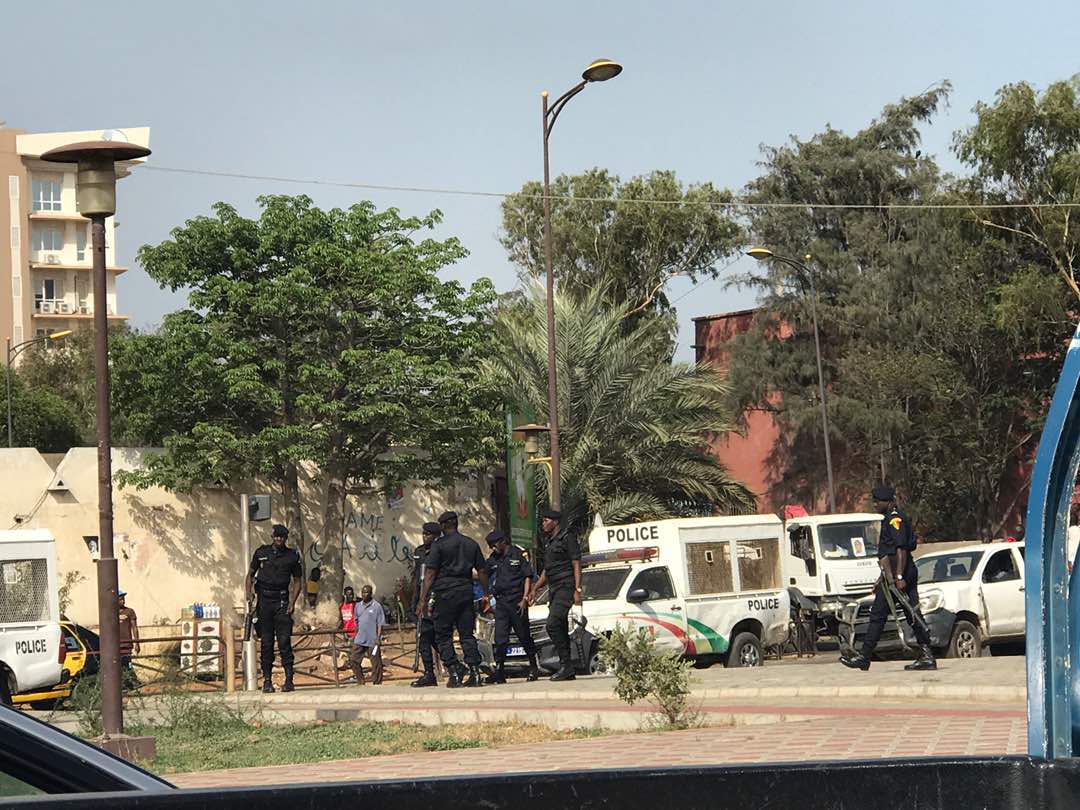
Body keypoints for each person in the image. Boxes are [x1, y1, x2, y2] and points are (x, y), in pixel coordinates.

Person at [841, 486, 937, 672]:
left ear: (887, 501)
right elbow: (888, 552)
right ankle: (926, 656)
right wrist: (882, 578)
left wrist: (898, 576)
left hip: (899, 574)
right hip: (893, 575)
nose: (875, 504)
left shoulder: (894, 519)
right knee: (911, 612)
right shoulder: (890, 518)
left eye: (877, 501)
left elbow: (900, 549)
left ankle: (864, 657)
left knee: (880, 615)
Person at [415, 511, 489, 688]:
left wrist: (422, 600)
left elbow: (430, 573)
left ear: (443, 526)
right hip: (466, 592)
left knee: (443, 635)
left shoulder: (439, 546)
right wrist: (487, 593)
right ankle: (474, 672)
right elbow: (482, 571)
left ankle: (454, 673)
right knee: (467, 635)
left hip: (445, 593)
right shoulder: (470, 543)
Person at [246, 523, 303, 693]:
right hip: (264, 601)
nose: (279, 539)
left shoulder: (292, 556)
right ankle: (268, 681)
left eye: (282, 537)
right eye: (276, 536)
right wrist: (249, 594)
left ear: (286, 538)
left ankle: (289, 680)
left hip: (281, 601)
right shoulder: (261, 553)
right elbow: (250, 575)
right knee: (267, 643)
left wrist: (293, 602)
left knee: (284, 641)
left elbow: (298, 581)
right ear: (272, 537)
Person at [530, 508, 582, 681]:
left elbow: (576, 563)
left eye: (546, 520)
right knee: (558, 627)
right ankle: (567, 667)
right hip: (553, 588)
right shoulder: (550, 542)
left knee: (552, 624)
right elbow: (547, 569)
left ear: (556, 522)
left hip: (566, 586)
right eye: (543, 520)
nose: (543, 523)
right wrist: (535, 588)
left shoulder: (567, 538)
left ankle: (566, 664)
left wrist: (577, 589)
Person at [484, 530, 540, 684]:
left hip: (517, 602)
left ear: (503, 541)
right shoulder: (494, 559)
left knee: (524, 635)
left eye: (494, 545)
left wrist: (525, 598)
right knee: (500, 639)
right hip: (501, 603)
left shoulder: (517, 554)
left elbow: (527, 576)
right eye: (490, 546)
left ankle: (533, 667)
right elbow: (483, 573)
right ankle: (499, 672)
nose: (493, 549)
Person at [410, 522, 442, 688]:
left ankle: (453, 666)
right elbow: (417, 578)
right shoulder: (419, 552)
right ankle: (429, 673)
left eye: (428, 534)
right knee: (423, 636)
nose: (425, 537)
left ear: (436, 536)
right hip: (421, 598)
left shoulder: (441, 550)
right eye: (423, 534)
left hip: (436, 597)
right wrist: (415, 600)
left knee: (439, 636)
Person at [349, 585, 385, 685]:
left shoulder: (376, 606)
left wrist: (378, 638)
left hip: (373, 640)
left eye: (367, 592)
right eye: (363, 592)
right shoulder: (358, 606)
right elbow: (356, 621)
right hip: (360, 639)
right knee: (353, 659)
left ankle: (377, 683)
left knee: (376, 662)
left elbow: (380, 624)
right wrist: (355, 636)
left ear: (371, 593)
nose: (364, 594)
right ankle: (361, 680)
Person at [117, 590, 140, 686]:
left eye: (123, 599)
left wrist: (137, 643)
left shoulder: (129, 611)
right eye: (120, 599)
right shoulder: (110, 612)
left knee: (127, 663)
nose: (123, 601)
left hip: (126, 644)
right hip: (115, 645)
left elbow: (134, 627)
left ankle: (131, 683)